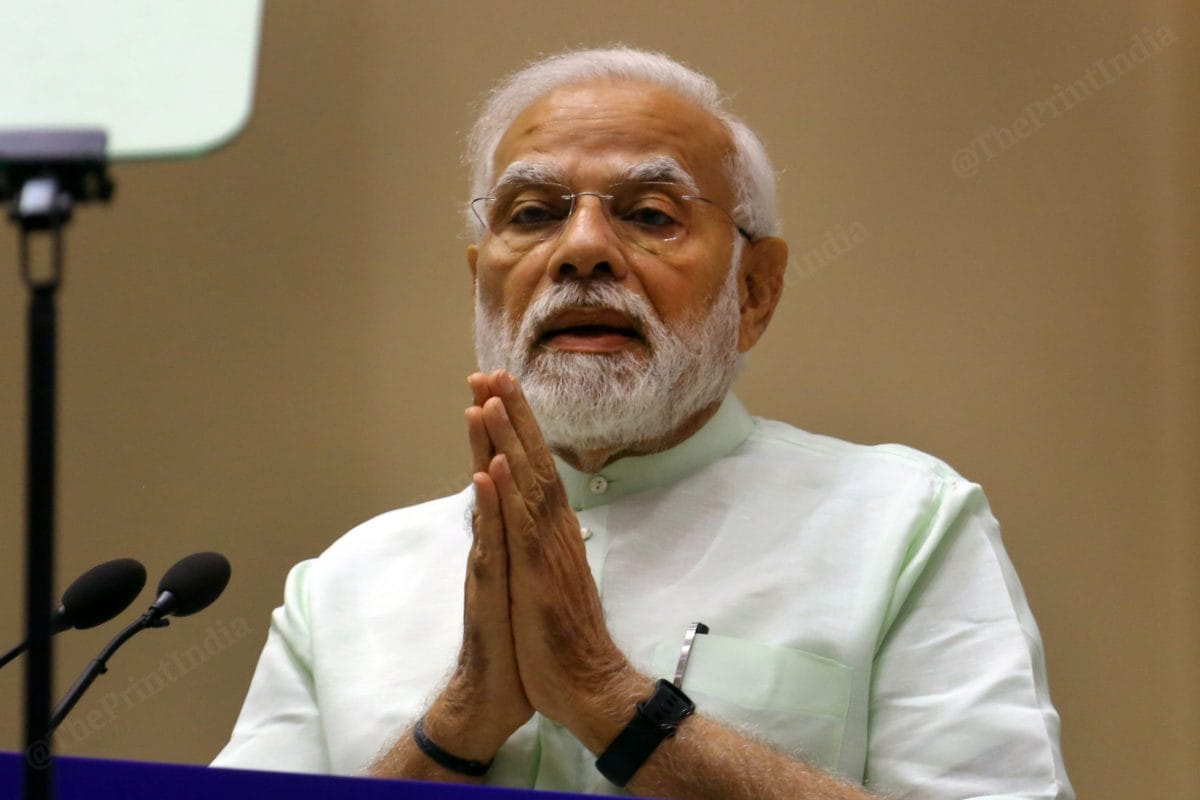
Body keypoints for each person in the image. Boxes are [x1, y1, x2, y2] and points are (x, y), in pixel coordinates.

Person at [212, 47, 1073, 799]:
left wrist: (608, 698)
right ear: (482, 278)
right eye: (534, 213)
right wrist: (460, 724)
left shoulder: (903, 526)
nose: (580, 249)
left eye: (650, 214)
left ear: (754, 290)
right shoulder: (342, 587)